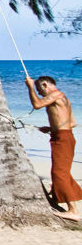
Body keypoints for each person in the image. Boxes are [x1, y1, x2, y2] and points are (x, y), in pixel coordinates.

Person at [25, 75, 82, 221]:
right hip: (63, 136)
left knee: (59, 173)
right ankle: (61, 201)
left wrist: (30, 86)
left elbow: (37, 105)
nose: (39, 93)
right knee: (61, 172)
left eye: (39, 90)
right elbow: (73, 123)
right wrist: (52, 128)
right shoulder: (63, 97)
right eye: (36, 90)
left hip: (63, 138)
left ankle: (73, 211)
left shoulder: (56, 94)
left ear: (45, 85)